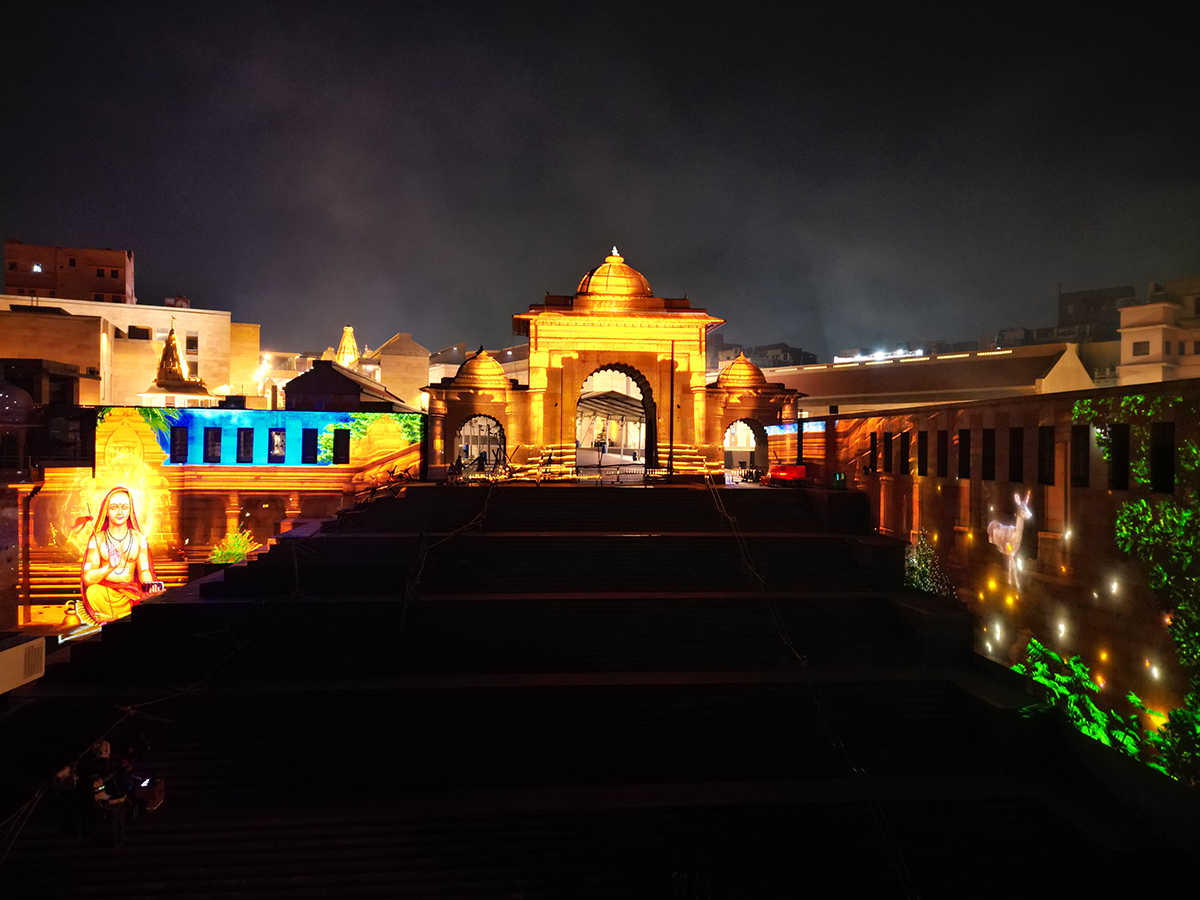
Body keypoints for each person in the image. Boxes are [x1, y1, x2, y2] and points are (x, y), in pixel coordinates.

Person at [80, 486, 162, 625]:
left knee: (153, 597)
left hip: (132, 593)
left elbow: (144, 570)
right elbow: (87, 578)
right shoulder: (97, 539)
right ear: (106, 511)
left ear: (130, 510)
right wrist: (110, 567)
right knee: (93, 592)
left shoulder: (139, 538)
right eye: (114, 507)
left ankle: (116, 617)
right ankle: (124, 616)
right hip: (106, 593)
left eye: (124, 507)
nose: (119, 512)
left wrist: (149, 585)